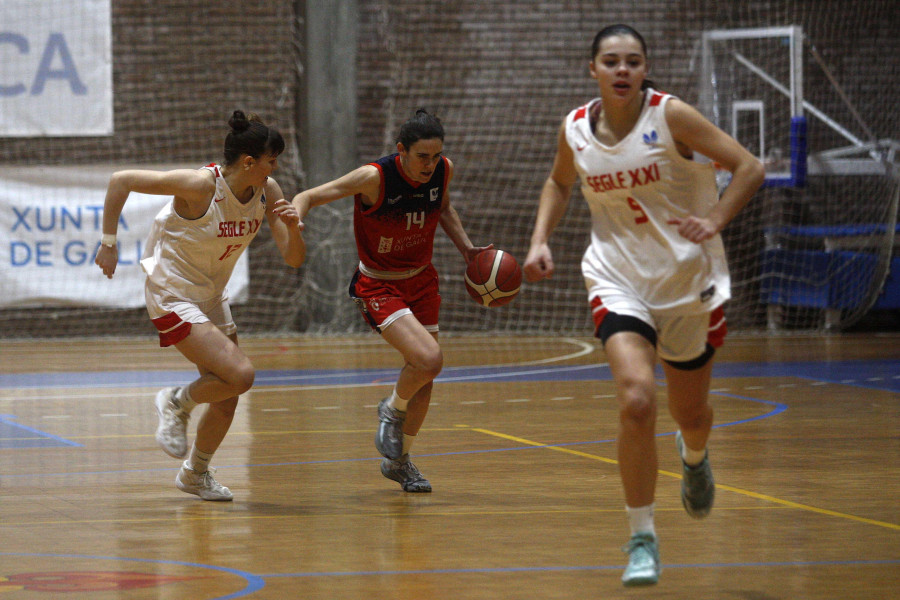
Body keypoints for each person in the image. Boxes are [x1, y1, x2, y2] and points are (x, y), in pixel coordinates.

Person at [523, 25, 764, 586]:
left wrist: (715, 220)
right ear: (594, 70)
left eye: (633, 61)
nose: (622, 70)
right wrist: (540, 239)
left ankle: (696, 454)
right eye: (611, 61)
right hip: (616, 277)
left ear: (644, 67)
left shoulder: (672, 116)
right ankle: (641, 538)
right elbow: (559, 183)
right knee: (636, 400)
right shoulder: (576, 128)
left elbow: (749, 166)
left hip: (684, 281)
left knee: (691, 414)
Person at [95, 111, 305, 501]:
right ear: (248, 162)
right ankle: (176, 401)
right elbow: (120, 180)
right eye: (270, 161)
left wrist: (293, 227)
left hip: (210, 296)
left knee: (227, 396)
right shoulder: (199, 185)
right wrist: (109, 241)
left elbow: (293, 258)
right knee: (241, 374)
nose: (274, 168)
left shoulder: (268, 191)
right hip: (171, 293)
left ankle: (195, 473)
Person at [291, 109, 490, 493]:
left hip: (422, 281)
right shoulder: (374, 177)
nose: (430, 165)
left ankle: (399, 462)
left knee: (426, 377)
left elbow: (444, 208)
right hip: (379, 285)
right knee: (430, 360)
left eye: (435, 157)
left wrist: (466, 249)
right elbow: (308, 195)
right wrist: (295, 217)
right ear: (401, 150)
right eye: (422, 157)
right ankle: (391, 409)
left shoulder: (443, 170)